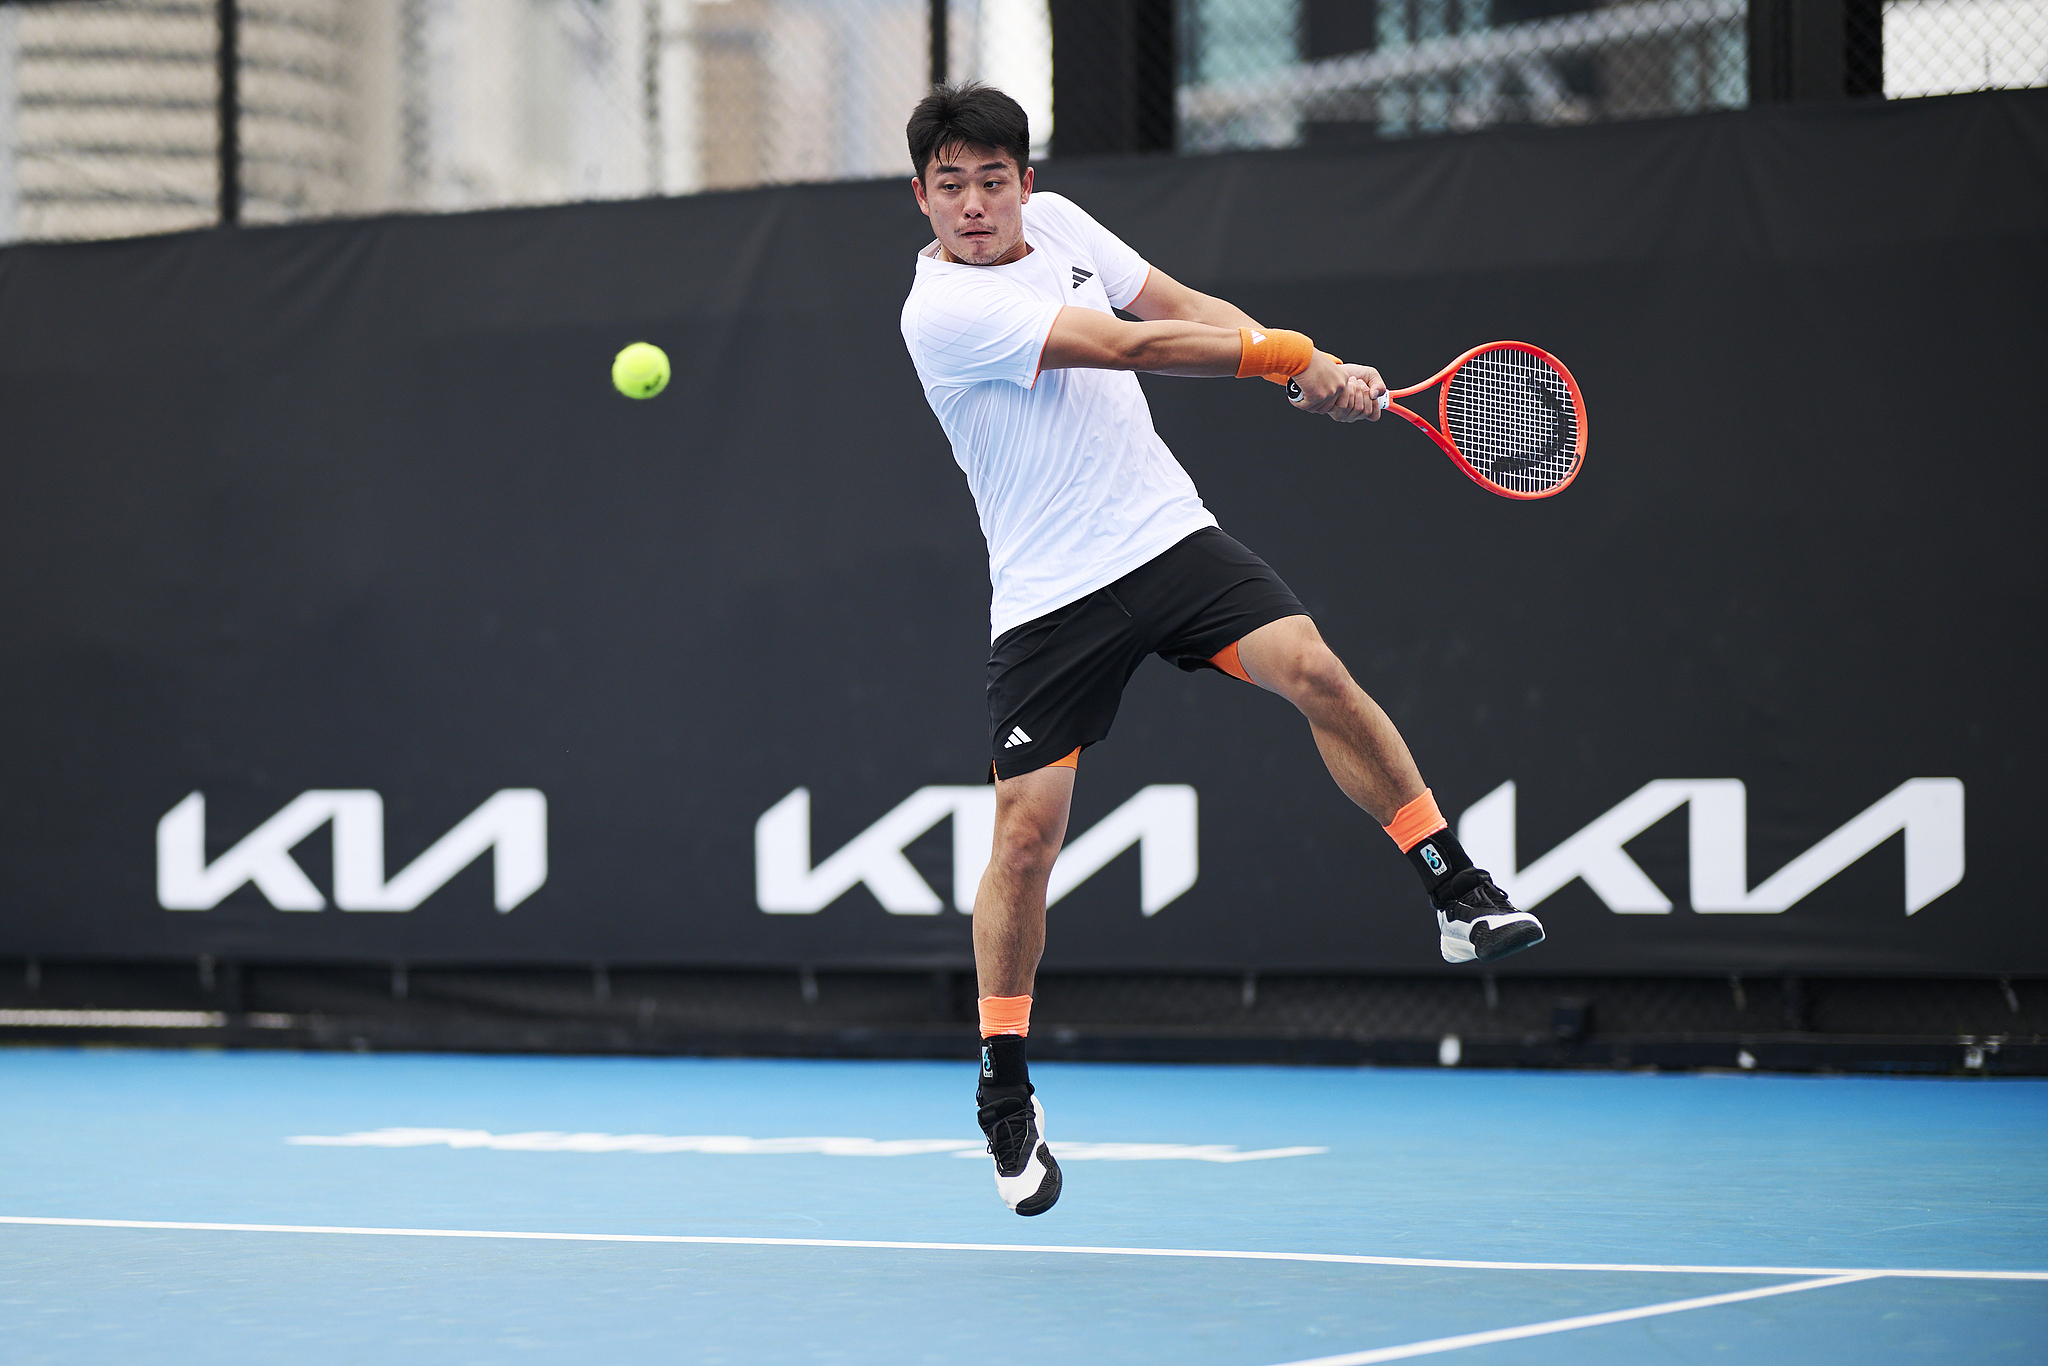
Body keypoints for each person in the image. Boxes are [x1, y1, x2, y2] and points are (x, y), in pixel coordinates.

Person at [899, 84, 1544, 1218]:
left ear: (1023, 185)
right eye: (948, 185)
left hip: (1163, 537)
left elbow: (1178, 301)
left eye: (991, 180)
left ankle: (1453, 885)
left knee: (1315, 672)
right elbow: (1119, 343)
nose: (973, 204)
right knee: (1024, 838)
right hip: (1049, 597)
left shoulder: (1060, 229)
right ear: (923, 199)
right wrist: (1283, 357)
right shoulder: (938, 311)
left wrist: (1309, 366)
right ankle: (1003, 1084)